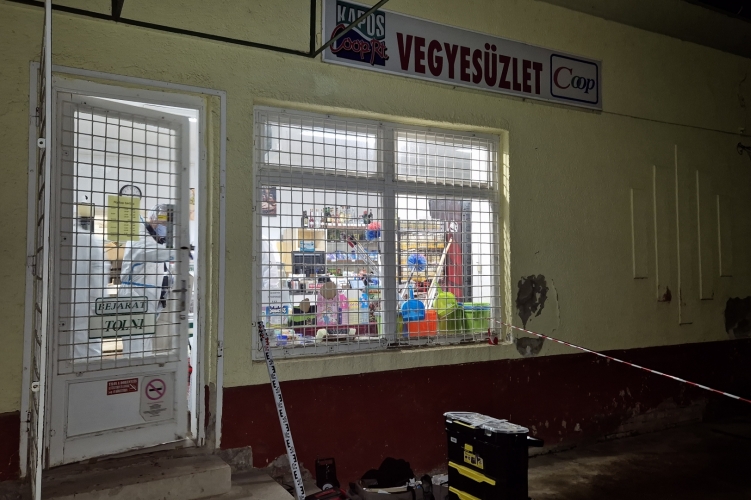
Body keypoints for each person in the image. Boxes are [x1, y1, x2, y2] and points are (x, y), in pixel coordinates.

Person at [118, 205, 177, 358]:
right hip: (134, 297)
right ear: (153, 218)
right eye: (164, 221)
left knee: (144, 345)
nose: (166, 226)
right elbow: (154, 253)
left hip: (149, 298)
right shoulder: (139, 235)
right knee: (135, 347)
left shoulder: (156, 240)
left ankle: (143, 371)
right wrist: (184, 250)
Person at [71, 208, 110, 361]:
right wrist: (98, 305)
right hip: (84, 308)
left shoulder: (48, 237)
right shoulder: (88, 239)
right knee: (87, 355)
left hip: (63, 309)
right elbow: (99, 272)